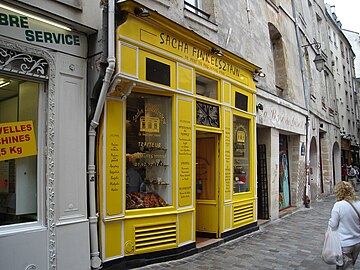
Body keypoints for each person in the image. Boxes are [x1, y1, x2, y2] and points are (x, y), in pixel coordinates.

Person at [329, 181, 360, 269]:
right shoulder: (358, 203)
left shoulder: (338, 205)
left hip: (345, 243)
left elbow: (333, 224)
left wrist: (330, 222)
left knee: (345, 267)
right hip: (357, 241)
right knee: (350, 264)